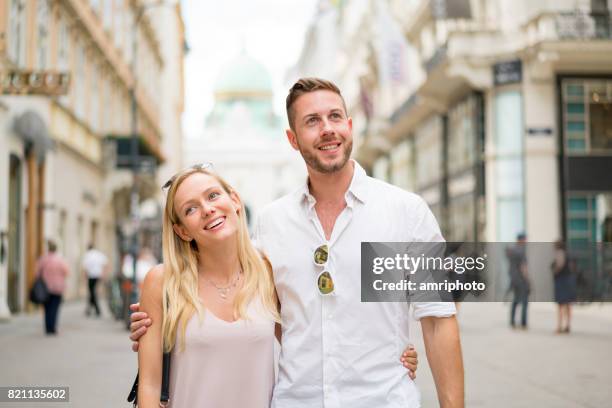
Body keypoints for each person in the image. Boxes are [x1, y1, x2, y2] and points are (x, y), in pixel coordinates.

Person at [131, 78, 456, 407]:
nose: (327, 129)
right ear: (292, 138)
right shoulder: (272, 224)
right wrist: (159, 320)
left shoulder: (406, 212)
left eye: (335, 116)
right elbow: (265, 316)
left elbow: (439, 318)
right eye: (312, 121)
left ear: (350, 125)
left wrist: (390, 356)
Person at [36, 240, 69, 335]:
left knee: (46, 308)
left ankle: (47, 327)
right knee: (54, 308)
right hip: (57, 287)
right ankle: (52, 327)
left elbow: (37, 273)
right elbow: (67, 272)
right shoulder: (60, 259)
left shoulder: (43, 259)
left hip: (45, 287)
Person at [551, 240, 576, 333]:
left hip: (562, 281)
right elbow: (573, 267)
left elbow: (559, 265)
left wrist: (554, 272)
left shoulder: (560, 253)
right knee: (568, 304)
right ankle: (568, 325)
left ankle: (559, 326)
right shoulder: (568, 254)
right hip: (569, 280)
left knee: (561, 304)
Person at [507, 233, 530, 329]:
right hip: (521, 279)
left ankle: (512, 321)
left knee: (515, 300)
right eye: (525, 239)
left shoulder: (512, 250)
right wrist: (527, 279)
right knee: (524, 301)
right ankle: (523, 323)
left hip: (513, 278)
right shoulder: (521, 251)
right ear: (521, 240)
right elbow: (523, 267)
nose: (526, 241)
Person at [82, 243, 109, 317]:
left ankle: (96, 309)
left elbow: (85, 268)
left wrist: (84, 278)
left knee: (92, 292)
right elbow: (105, 263)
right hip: (98, 275)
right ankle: (90, 309)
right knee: (93, 292)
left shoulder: (87, 255)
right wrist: (104, 274)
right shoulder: (98, 254)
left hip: (91, 276)